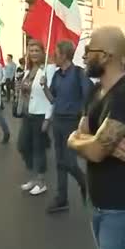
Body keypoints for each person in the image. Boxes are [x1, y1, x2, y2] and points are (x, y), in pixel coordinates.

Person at [68, 26, 125, 249]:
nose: (84, 56)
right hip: (95, 198)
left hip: (118, 205)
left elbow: (94, 151)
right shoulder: (96, 91)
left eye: (88, 50)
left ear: (105, 56)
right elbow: (82, 133)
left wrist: (77, 141)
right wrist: (83, 139)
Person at [41, 41, 93, 212]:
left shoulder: (79, 74)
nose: (53, 56)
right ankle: (62, 198)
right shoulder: (57, 75)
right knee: (59, 161)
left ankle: (85, 182)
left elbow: (89, 97)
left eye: (56, 54)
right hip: (58, 120)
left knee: (69, 161)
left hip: (72, 122)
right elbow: (52, 99)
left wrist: (84, 118)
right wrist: (44, 87)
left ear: (64, 55)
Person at [17, 40, 56, 196]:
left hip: (41, 115)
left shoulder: (49, 69)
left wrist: (48, 119)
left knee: (38, 149)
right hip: (28, 114)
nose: (33, 53)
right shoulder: (29, 70)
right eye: (31, 50)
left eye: (36, 50)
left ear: (42, 52)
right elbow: (28, 92)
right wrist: (21, 88)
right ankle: (33, 177)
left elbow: (53, 97)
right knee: (23, 146)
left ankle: (41, 181)